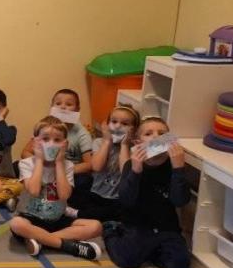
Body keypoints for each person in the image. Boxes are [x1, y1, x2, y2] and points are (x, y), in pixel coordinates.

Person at [103, 117, 190, 268]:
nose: (156, 136)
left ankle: (151, 251)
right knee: (127, 259)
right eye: (148, 134)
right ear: (138, 143)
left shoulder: (174, 165)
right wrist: (136, 171)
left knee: (179, 265)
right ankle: (111, 230)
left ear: (170, 139)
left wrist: (178, 170)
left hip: (166, 227)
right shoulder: (131, 165)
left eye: (162, 133)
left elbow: (180, 201)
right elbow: (126, 200)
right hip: (137, 225)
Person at [10, 116, 102, 259]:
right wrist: (39, 160)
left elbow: (64, 195)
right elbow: (34, 191)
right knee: (16, 224)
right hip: (30, 218)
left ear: (65, 144)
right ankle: (69, 246)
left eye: (57, 140)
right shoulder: (27, 163)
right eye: (45, 139)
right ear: (34, 142)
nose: (51, 144)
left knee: (96, 226)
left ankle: (41, 240)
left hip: (57, 219)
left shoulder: (67, 166)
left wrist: (59, 163)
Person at [68, 105, 140, 222]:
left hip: (116, 198)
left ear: (134, 130)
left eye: (125, 124)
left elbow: (126, 172)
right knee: (78, 188)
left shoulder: (134, 149)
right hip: (95, 192)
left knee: (121, 211)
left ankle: (79, 214)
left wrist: (125, 145)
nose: (118, 126)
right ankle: (88, 214)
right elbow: (97, 167)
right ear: (107, 125)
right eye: (114, 121)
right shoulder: (99, 142)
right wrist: (106, 141)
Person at [21, 89, 93, 191]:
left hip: (68, 170)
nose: (62, 107)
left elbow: (89, 164)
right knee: (17, 165)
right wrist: (41, 163)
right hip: (43, 166)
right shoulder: (44, 128)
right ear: (51, 107)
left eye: (69, 104)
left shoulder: (81, 133)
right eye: (58, 103)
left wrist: (64, 170)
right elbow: (25, 152)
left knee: (85, 180)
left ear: (77, 109)